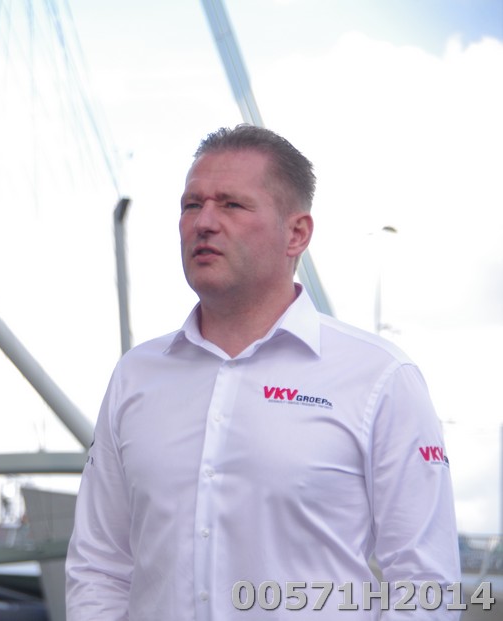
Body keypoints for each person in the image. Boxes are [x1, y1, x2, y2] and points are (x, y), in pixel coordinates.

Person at [65, 124, 460, 619]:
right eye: (191, 205)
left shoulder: (380, 378)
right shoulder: (136, 376)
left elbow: (426, 585)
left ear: (297, 234)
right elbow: (100, 565)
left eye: (232, 205)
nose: (204, 222)